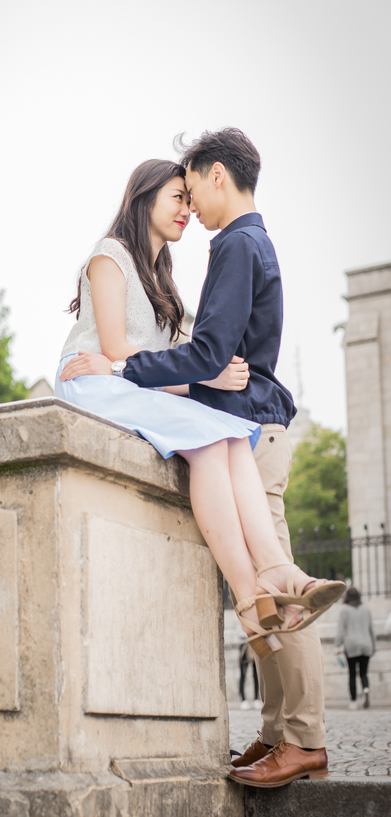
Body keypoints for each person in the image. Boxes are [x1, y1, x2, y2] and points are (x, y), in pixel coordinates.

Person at [59, 131, 345, 788]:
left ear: (218, 177)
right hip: (207, 414)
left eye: (192, 193)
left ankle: (299, 734)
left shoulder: (235, 246)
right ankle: (278, 724)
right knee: (267, 566)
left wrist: (200, 371)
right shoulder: (153, 259)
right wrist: (207, 373)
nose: (189, 208)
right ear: (144, 199)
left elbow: (203, 358)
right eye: (175, 197)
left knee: (279, 585)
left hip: (252, 427)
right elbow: (200, 361)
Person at [334, 587, 375, 709]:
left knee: (352, 674)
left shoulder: (344, 610)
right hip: (366, 644)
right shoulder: (366, 609)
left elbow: (341, 630)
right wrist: (374, 646)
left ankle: (353, 701)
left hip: (351, 645)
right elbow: (371, 629)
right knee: (364, 673)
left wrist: (337, 644)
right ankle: (366, 690)